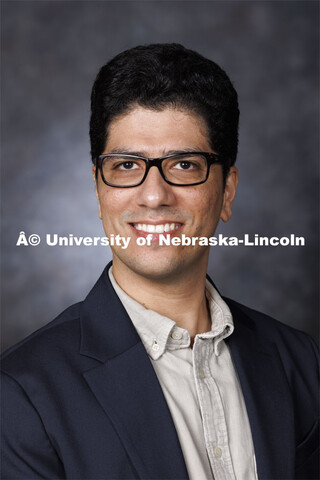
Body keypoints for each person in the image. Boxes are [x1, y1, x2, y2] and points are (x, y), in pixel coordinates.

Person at [1, 43, 318, 480]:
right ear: (98, 189)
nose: (153, 195)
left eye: (185, 165)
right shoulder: (21, 393)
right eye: (127, 165)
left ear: (227, 192)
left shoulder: (300, 361)